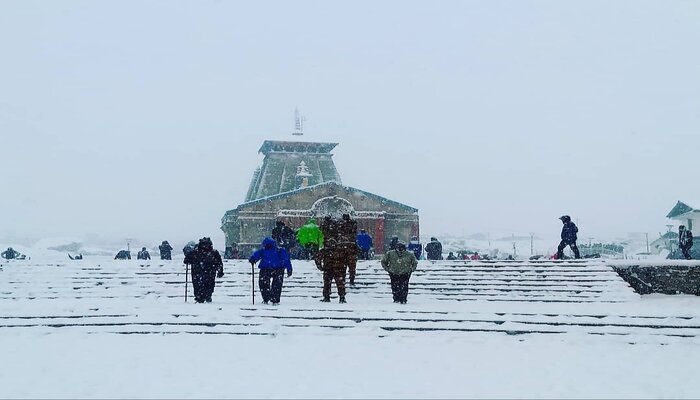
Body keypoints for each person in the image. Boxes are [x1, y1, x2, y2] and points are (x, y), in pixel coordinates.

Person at [248, 237, 293, 305]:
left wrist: (252, 259)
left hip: (265, 269)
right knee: (277, 285)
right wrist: (289, 269)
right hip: (278, 269)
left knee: (263, 283)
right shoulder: (280, 250)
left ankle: (266, 298)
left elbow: (256, 255)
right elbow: (286, 259)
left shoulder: (263, 250)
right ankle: (275, 299)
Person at [184, 237, 224, 303]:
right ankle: (205, 296)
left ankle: (201, 296)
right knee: (206, 284)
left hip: (199, 272)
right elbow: (219, 263)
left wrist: (220, 271)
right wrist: (220, 271)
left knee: (200, 284)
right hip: (207, 272)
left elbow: (186, 260)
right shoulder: (213, 252)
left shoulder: (195, 252)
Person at [314, 238, 347, 303]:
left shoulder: (325, 250)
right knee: (340, 283)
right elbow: (345, 260)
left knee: (327, 283)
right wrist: (343, 268)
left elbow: (317, 258)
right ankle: (342, 297)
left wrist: (320, 267)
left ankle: (327, 297)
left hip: (328, 269)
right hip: (338, 269)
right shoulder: (340, 250)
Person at [338, 213, 359, 285]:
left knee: (343, 268)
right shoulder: (352, 224)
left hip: (344, 250)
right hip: (350, 250)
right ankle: (351, 280)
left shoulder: (340, 224)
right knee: (351, 268)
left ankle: (344, 279)